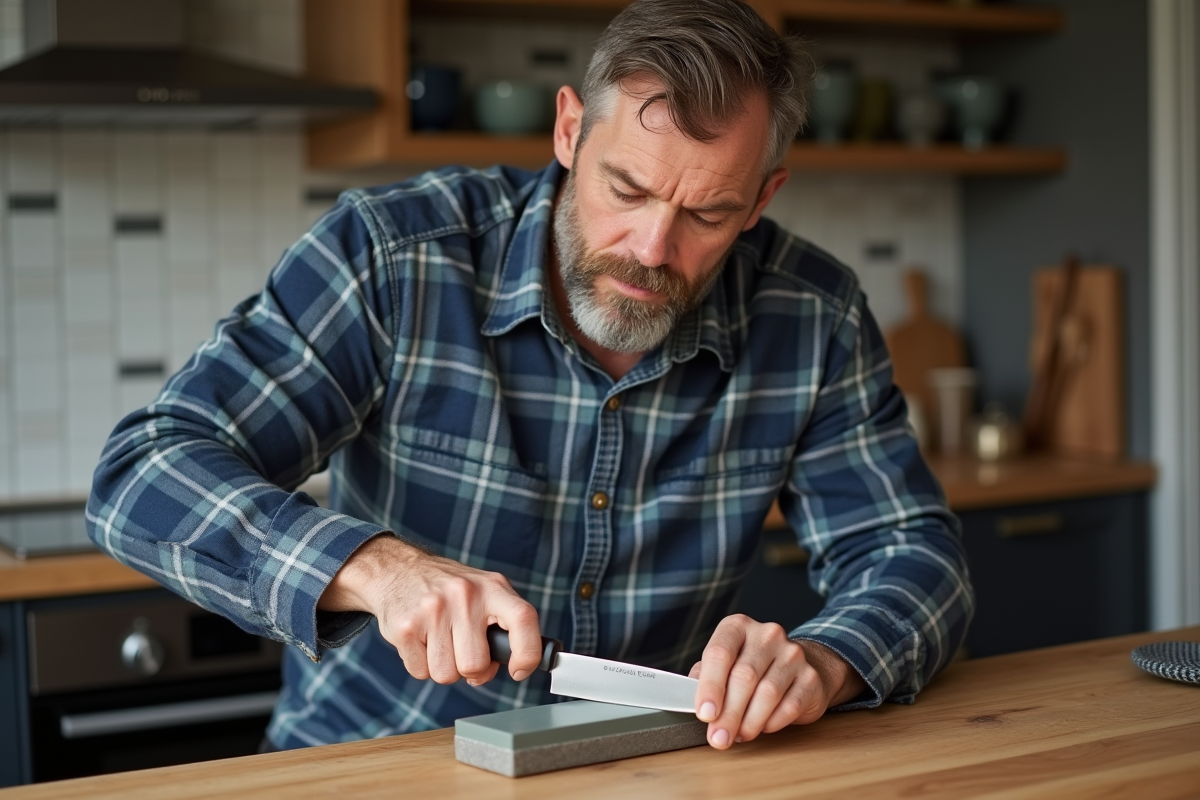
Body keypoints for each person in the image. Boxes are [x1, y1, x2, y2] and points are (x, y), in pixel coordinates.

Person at [87, 0, 973, 754]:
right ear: (567, 130)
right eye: (625, 189)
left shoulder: (811, 314)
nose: (653, 250)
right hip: (376, 760)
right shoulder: (394, 258)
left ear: (763, 198)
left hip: (639, 762)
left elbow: (913, 557)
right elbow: (141, 473)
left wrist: (823, 661)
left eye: (707, 212)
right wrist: (377, 569)